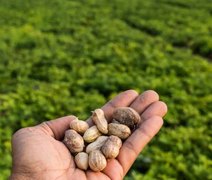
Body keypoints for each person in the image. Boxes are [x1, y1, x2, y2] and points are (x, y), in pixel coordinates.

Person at [10, 90, 167, 180]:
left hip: (100, 146)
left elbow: (103, 134)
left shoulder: (106, 133)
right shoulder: (96, 136)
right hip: (97, 148)